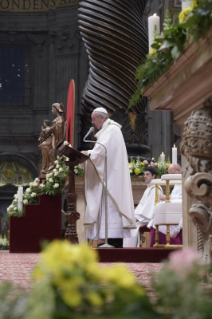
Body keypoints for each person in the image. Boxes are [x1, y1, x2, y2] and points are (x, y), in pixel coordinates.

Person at [81, 107, 136, 248]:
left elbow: (101, 151)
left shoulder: (112, 130)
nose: (93, 123)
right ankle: (106, 241)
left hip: (112, 178)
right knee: (107, 208)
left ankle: (113, 242)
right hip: (108, 175)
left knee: (111, 208)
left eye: (94, 119)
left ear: (102, 118)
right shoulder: (107, 131)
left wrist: (88, 153)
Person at [123, 166, 163, 247]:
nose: (145, 176)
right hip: (143, 216)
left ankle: (129, 250)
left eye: (147, 174)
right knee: (128, 222)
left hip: (149, 217)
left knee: (131, 226)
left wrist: (136, 216)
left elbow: (149, 208)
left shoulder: (156, 188)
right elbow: (143, 205)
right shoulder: (149, 187)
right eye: (144, 174)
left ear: (153, 176)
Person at [149, 163, 183, 246]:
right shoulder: (177, 183)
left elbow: (181, 198)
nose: (170, 176)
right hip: (174, 209)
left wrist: (166, 197)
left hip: (179, 211)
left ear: (178, 171)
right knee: (155, 221)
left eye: (171, 174)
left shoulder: (183, 181)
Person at [40, 103, 66, 174]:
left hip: (55, 138)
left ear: (56, 109)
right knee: (43, 145)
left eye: (52, 109)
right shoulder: (57, 119)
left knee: (46, 147)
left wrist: (51, 128)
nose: (52, 111)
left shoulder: (60, 118)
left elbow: (59, 128)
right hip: (53, 137)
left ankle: (50, 166)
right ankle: (46, 166)